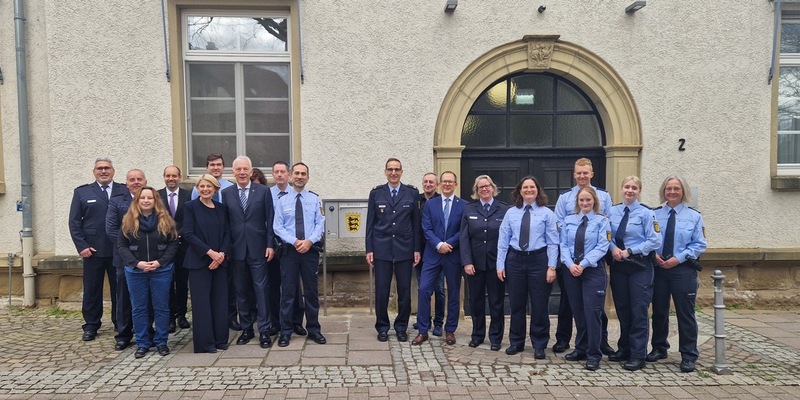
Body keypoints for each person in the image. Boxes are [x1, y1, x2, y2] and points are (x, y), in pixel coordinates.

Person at [553, 158, 615, 356]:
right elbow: (560, 227)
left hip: (593, 262)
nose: (582, 176)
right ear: (574, 174)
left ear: (592, 173)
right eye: (578, 173)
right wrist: (571, 262)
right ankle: (573, 343)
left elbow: (607, 229)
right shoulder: (565, 198)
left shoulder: (604, 197)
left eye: (585, 173)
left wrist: (587, 260)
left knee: (594, 308)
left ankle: (599, 344)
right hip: (571, 262)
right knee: (572, 305)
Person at [647, 176, 707, 373]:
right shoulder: (654, 214)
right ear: (663, 191)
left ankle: (688, 355)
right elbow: (649, 237)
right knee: (659, 311)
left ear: (683, 192)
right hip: (659, 267)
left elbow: (699, 244)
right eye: (668, 188)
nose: (672, 192)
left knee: (685, 313)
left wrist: (678, 258)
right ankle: (659, 347)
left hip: (682, 269)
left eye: (676, 189)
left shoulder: (694, 216)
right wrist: (655, 255)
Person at [496, 176, 558, 359]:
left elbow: (553, 243)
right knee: (517, 304)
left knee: (539, 305)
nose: (529, 190)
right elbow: (503, 240)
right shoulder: (511, 213)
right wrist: (500, 264)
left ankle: (539, 344)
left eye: (532, 187)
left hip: (539, 260)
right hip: (515, 260)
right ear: (519, 191)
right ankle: (516, 342)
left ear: (538, 190)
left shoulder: (547, 214)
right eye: (525, 187)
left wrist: (552, 267)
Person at [69, 158, 128, 341]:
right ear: (94, 171)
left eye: (107, 168)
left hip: (119, 249)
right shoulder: (82, 192)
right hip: (92, 250)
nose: (104, 171)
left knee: (120, 289)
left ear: (113, 170)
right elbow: (74, 222)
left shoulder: (124, 190)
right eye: (100, 168)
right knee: (92, 290)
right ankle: (91, 325)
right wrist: (82, 246)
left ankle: (121, 323)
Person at [116, 186, 179, 358]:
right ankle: (143, 343)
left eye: (149, 198)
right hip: (136, 271)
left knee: (161, 307)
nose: (146, 201)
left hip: (161, 270)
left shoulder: (165, 220)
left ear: (155, 200)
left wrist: (160, 262)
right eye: (142, 198)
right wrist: (137, 263)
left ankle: (161, 342)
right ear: (137, 201)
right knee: (139, 308)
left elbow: (173, 244)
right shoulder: (128, 221)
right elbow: (121, 245)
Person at [607, 176, 662, 371]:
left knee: (639, 310)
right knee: (623, 309)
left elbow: (655, 240)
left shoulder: (647, 213)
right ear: (621, 189)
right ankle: (624, 348)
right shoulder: (612, 211)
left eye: (634, 188)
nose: (630, 190)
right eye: (627, 187)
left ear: (639, 191)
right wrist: (613, 248)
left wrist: (630, 250)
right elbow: (607, 234)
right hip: (619, 266)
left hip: (639, 266)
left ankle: (638, 355)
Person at [222, 155, 276, 348]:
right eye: (239, 169)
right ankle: (246, 329)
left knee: (261, 290)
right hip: (236, 250)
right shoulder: (226, 193)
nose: (242, 172)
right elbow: (226, 225)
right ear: (233, 172)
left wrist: (270, 245)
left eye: (246, 169)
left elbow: (270, 220)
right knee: (241, 291)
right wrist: (226, 248)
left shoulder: (263, 192)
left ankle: (264, 330)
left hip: (259, 248)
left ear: (251, 172)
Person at [366, 158, 421, 342]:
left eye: (397, 169)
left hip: (405, 249)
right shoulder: (376, 193)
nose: (393, 173)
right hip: (382, 249)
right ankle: (382, 327)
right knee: (382, 291)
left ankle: (401, 327)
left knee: (404, 291)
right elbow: (370, 224)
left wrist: (416, 249)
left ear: (402, 172)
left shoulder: (411, 193)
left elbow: (416, 224)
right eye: (390, 169)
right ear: (385, 172)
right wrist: (369, 249)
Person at [273, 162, 327, 347]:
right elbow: (277, 226)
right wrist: (294, 241)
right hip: (290, 251)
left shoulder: (314, 199)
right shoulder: (282, 200)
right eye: (297, 173)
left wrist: (309, 241)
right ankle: (286, 331)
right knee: (288, 292)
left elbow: (320, 224)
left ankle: (314, 330)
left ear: (308, 177)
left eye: (303, 174)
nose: (300, 176)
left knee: (311, 292)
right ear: (290, 175)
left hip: (309, 251)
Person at [559, 186, 611, 371]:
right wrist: (570, 264)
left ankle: (594, 354)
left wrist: (584, 264)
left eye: (588, 200)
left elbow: (603, 246)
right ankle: (580, 348)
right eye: (581, 200)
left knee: (592, 313)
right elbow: (563, 244)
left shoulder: (602, 221)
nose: (585, 203)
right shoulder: (569, 220)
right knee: (578, 312)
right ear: (577, 202)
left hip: (592, 271)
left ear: (594, 201)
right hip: (572, 270)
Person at [413, 171, 465, 346]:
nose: (448, 184)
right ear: (440, 184)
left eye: (451, 182)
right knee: (424, 290)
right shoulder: (430, 204)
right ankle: (422, 330)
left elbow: (463, 230)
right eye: (445, 182)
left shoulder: (464, 205)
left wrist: (448, 244)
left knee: (453, 293)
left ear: (455, 185)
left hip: (453, 254)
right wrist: (438, 245)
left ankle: (450, 330)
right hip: (432, 254)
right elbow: (425, 228)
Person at [459, 175, 509, 351]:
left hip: (496, 266)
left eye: (487, 186)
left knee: (496, 302)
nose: (484, 189)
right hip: (475, 265)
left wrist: (503, 264)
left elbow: (508, 239)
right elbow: (464, 238)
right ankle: (477, 335)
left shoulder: (504, 209)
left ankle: (495, 338)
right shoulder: (469, 209)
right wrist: (467, 262)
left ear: (493, 188)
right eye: (480, 187)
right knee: (476, 302)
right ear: (476, 191)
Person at [182, 174, 231, 353]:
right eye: (202, 186)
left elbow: (227, 233)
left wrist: (221, 255)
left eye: (209, 186)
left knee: (219, 302)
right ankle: (205, 343)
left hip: (220, 262)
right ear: (197, 188)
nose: (205, 189)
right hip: (199, 262)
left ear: (215, 189)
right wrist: (211, 254)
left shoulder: (221, 208)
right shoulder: (190, 207)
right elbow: (188, 234)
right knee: (202, 304)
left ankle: (220, 340)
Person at [191, 153, 238, 331]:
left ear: (223, 167)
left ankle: (231, 317)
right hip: (205, 249)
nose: (215, 167)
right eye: (212, 165)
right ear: (207, 167)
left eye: (219, 164)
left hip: (225, 244)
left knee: (228, 285)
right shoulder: (199, 188)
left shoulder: (230, 187)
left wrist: (223, 251)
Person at [106, 169, 147, 351]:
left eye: (139, 179)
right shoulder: (117, 202)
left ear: (145, 181)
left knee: (147, 297)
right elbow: (111, 229)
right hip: (124, 258)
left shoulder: (151, 200)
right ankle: (123, 335)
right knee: (124, 297)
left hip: (148, 257)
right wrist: (131, 248)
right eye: (132, 180)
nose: (136, 182)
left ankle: (146, 332)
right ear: (126, 183)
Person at [268, 161, 306, 337]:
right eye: (276, 172)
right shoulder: (267, 194)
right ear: (273, 175)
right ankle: (277, 322)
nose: (280, 175)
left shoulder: (295, 193)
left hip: (291, 246)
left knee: (294, 287)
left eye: (283, 171)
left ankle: (296, 322)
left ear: (288, 174)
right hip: (272, 245)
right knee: (274, 285)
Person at [158, 165, 191, 333]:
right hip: (163, 247)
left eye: (174, 176)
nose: (171, 179)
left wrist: (180, 233)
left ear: (179, 177)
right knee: (167, 283)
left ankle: (182, 315)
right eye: (168, 176)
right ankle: (170, 317)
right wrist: (167, 235)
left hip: (183, 246)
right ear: (164, 177)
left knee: (182, 282)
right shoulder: (157, 195)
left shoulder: (188, 195)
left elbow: (190, 218)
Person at [413, 172, 445, 336]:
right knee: (422, 288)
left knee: (439, 288)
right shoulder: (416, 200)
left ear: (437, 184)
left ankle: (438, 322)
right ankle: (422, 320)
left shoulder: (441, 201)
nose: (428, 184)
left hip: (436, 251)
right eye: (425, 181)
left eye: (431, 182)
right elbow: (415, 228)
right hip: (420, 251)